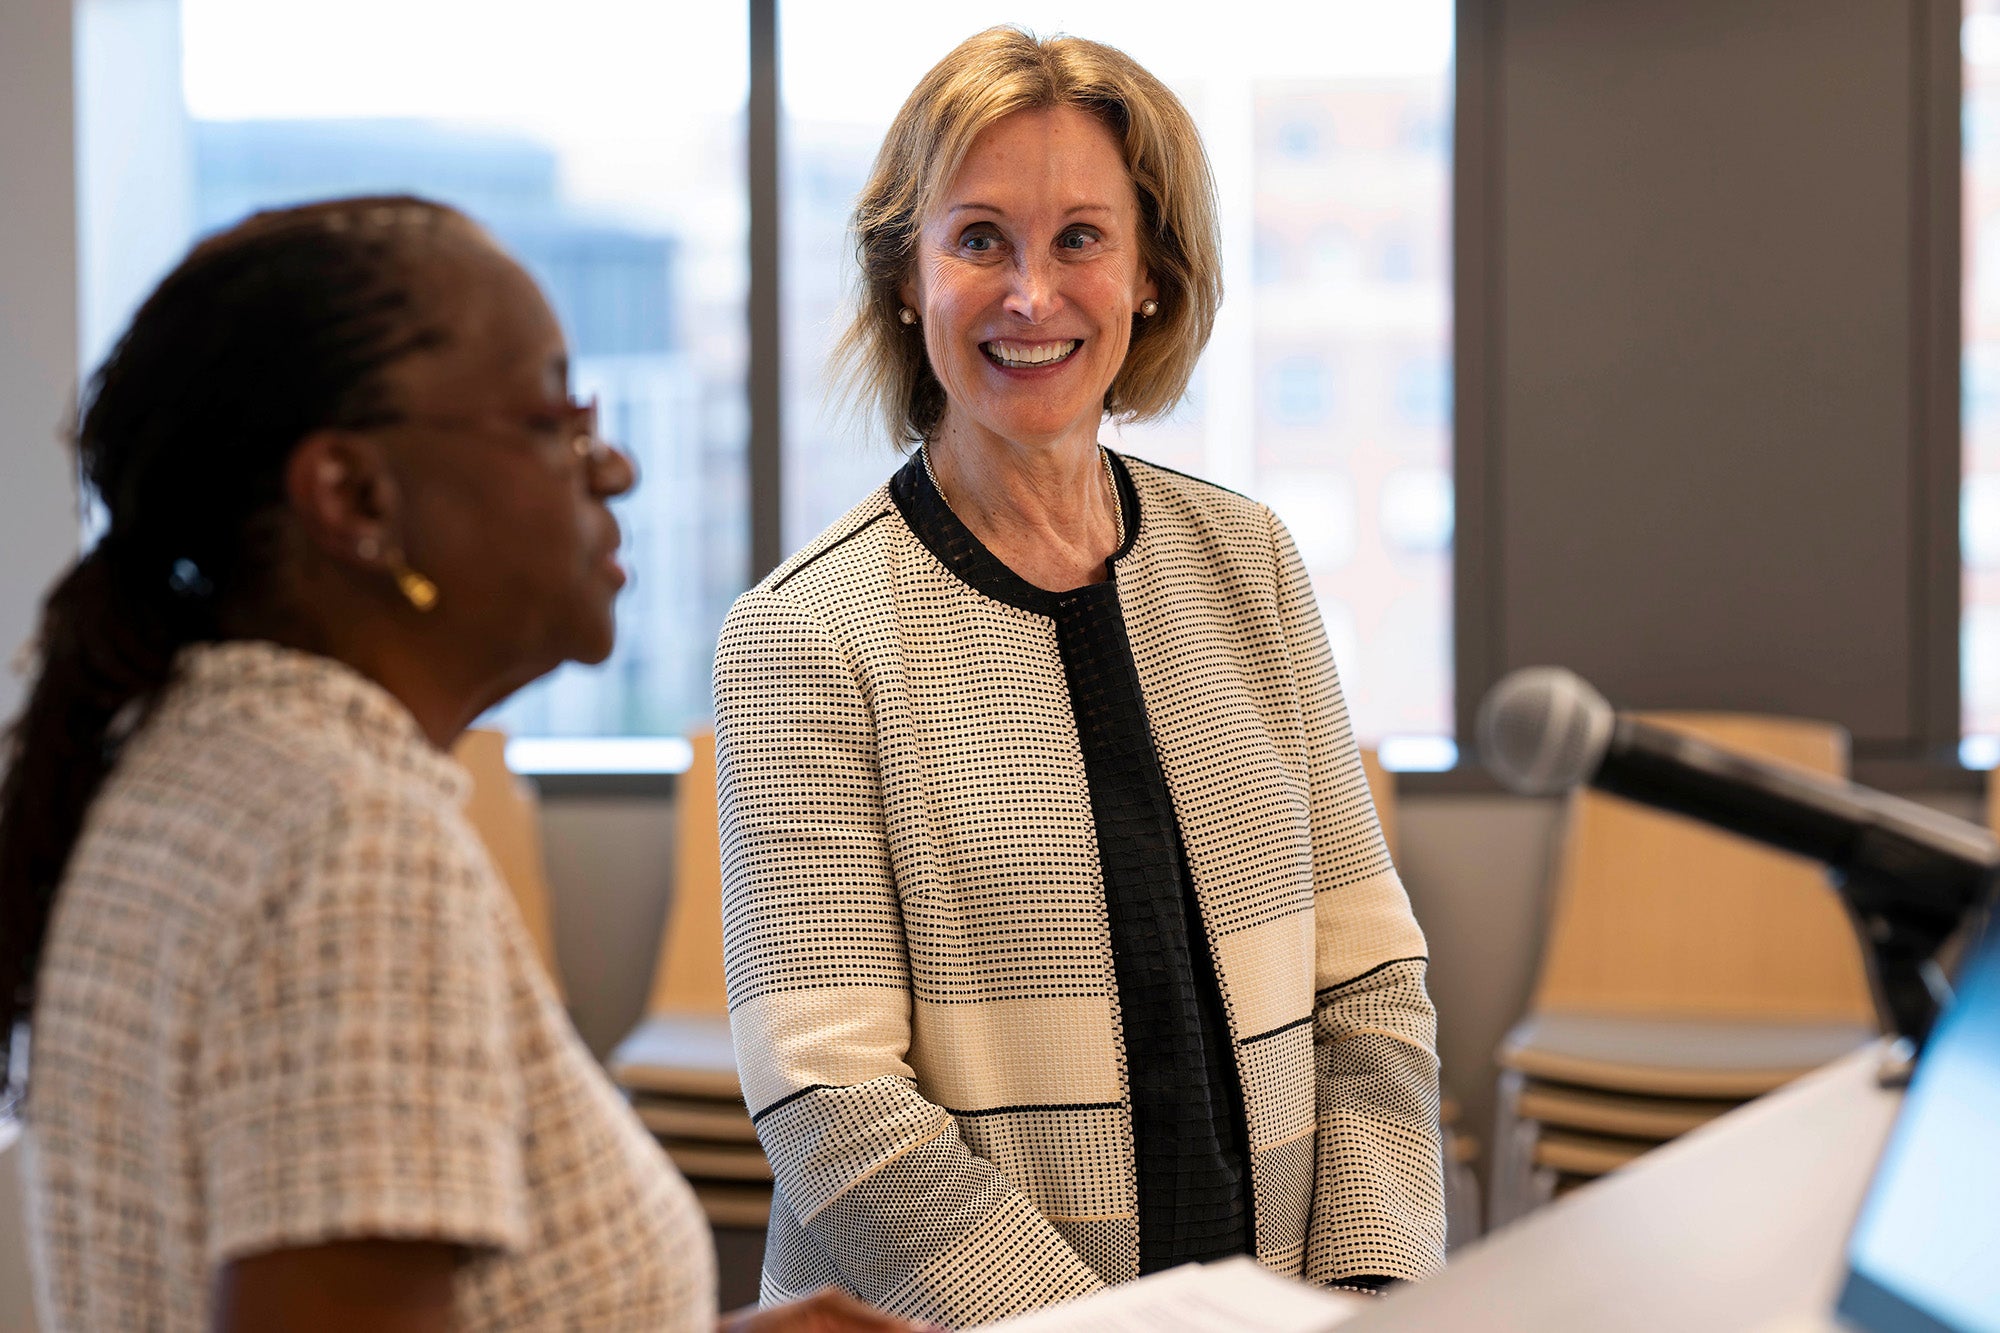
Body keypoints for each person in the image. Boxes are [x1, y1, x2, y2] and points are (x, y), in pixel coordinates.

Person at [0, 196, 920, 1333]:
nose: (617, 467)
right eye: (555, 420)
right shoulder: (349, 842)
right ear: (354, 496)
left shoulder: (195, 766)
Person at [714, 26, 1446, 1328]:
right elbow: (828, 1094)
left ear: (1152, 275)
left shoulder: (1252, 564)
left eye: (1080, 240)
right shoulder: (803, 635)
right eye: (980, 238)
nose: (1031, 296)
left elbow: (1370, 982)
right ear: (905, 278)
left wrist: (1369, 1291)